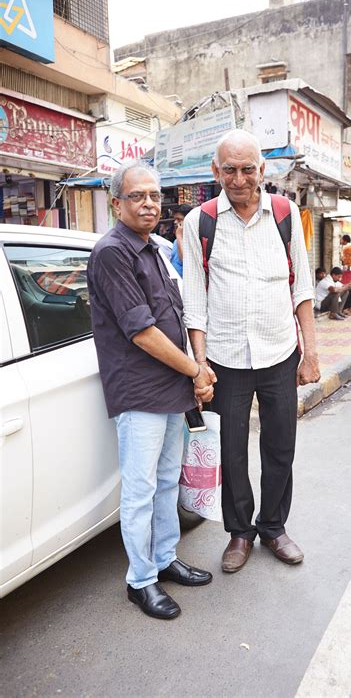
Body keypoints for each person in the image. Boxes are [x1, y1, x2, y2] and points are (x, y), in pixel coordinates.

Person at [182, 129, 320, 573]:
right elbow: (195, 300)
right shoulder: (199, 222)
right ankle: (240, 533)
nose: (239, 179)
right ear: (215, 172)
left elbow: (301, 287)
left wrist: (310, 352)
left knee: (281, 446)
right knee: (232, 450)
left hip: (279, 351)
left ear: (262, 170)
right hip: (225, 357)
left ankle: (274, 527)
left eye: (247, 169)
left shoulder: (285, 214)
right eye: (230, 170)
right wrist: (200, 364)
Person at [87, 162, 216, 620]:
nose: (148, 204)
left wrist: (191, 372)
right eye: (138, 196)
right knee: (140, 489)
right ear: (117, 203)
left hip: (170, 387)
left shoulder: (153, 248)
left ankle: (165, 558)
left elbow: (174, 316)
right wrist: (196, 371)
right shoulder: (111, 252)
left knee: (165, 483)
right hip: (140, 391)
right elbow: (142, 331)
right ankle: (140, 579)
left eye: (155, 196)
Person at [170, 204, 193, 277]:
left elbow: (185, 262)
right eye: (175, 219)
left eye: (179, 219)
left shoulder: (194, 239)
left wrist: (179, 236)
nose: (175, 222)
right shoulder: (176, 241)